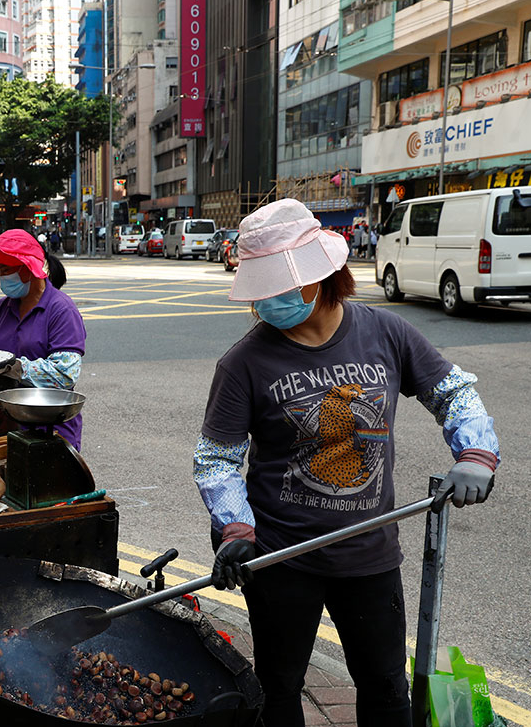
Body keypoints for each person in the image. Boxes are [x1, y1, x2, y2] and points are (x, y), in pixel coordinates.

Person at [193, 199, 499, 726]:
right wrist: (234, 525)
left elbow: (454, 394)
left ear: (323, 276)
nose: (270, 300)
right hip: (281, 557)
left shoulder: (386, 334)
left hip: (370, 553)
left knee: (383, 685)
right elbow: (217, 459)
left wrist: (475, 452)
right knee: (280, 688)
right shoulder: (243, 363)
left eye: (280, 286)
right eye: (261, 290)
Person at [0, 229, 86, 449]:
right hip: (2, 425)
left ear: (27, 268)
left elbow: (65, 374)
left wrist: (17, 368)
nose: (1, 278)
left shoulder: (61, 310)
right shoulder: (0, 308)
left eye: (5, 270)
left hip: (50, 430)